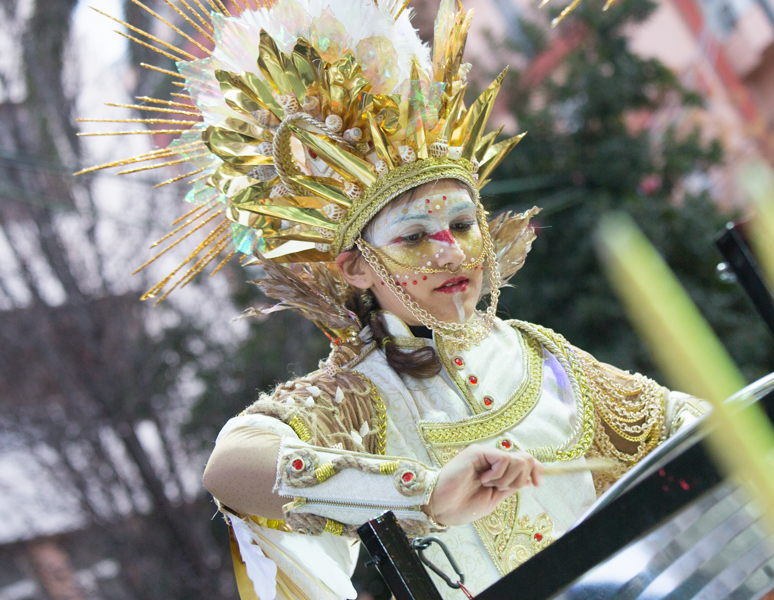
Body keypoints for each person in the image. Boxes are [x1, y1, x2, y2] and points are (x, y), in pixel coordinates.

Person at [75, 0, 706, 597]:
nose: (451, 252)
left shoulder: (544, 357)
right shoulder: (356, 400)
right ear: (354, 266)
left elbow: (691, 432)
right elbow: (231, 467)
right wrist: (421, 493)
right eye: (413, 237)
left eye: (462, 224)